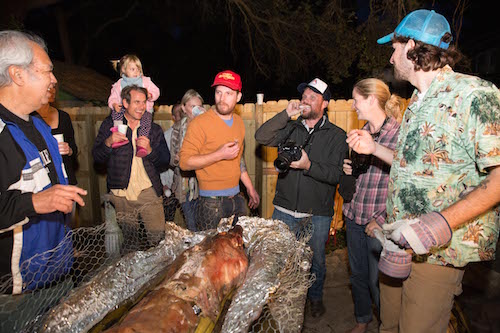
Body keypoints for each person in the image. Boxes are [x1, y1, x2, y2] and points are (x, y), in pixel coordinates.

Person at [347, 9, 500, 332]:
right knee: (388, 324)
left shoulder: (474, 94)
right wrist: (375, 150)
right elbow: (411, 167)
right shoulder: (416, 102)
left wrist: (439, 224)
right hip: (398, 243)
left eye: (394, 47)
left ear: (411, 46)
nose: (390, 58)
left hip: (437, 254)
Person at [0, 30, 87, 331]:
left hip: (58, 274)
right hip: (16, 293)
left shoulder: (40, 125)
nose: (54, 80)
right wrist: (36, 202)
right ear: (17, 74)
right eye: (47, 70)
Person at [255, 77, 348, 318]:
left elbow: (337, 174)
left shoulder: (337, 136)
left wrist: (309, 165)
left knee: (315, 261)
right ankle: (282, 298)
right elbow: (262, 136)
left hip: (316, 214)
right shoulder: (291, 127)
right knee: (280, 260)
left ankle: (315, 298)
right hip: (283, 210)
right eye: (304, 96)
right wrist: (284, 114)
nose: (305, 101)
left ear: (325, 103)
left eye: (312, 97)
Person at [341, 79, 401, 333]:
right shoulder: (361, 131)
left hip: (379, 222)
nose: (353, 105)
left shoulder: (398, 133)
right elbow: (361, 176)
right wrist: (348, 170)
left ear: (372, 99)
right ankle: (362, 319)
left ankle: (387, 326)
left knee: (380, 282)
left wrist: (383, 218)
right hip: (355, 215)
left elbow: (405, 180)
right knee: (358, 276)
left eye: (356, 100)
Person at [179, 70, 260, 231]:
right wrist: (219, 154)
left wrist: (250, 188)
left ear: (238, 97)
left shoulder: (239, 122)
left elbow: (239, 160)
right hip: (211, 203)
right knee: (211, 253)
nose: (222, 99)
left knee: (238, 251)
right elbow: (184, 162)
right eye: (219, 92)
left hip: (237, 199)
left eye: (228, 93)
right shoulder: (200, 123)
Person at [93, 85, 170, 251]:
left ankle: (158, 275)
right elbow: (96, 157)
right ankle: (133, 276)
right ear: (125, 103)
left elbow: (165, 161)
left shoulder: (153, 129)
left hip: (148, 191)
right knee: (130, 243)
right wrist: (108, 143)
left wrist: (150, 151)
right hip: (121, 195)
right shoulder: (110, 125)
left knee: (158, 240)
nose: (142, 106)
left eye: (144, 102)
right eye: (137, 102)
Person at [108, 54, 160, 158]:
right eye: (132, 69)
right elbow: (113, 97)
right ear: (124, 69)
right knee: (116, 113)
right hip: (124, 110)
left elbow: (156, 91)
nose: (136, 72)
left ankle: (142, 144)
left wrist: (151, 95)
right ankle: (119, 135)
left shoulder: (145, 81)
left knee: (146, 122)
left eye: (138, 69)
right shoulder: (119, 84)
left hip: (144, 110)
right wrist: (114, 104)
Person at [169, 89, 206, 231]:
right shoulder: (178, 129)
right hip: (184, 186)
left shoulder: (206, 126)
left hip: (204, 185)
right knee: (192, 227)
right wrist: (179, 159)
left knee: (205, 227)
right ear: (183, 108)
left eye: (199, 106)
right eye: (192, 106)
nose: (196, 110)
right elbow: (172, 160)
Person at [161, 103, 182, 222]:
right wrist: (164, 184)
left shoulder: (191, 134)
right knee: (168, 221)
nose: (181, 115)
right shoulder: (166, 136)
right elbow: (162, 162)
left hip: (186, 188)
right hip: (170, 185)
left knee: (192, 222)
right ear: (173, 117)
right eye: (178, 113)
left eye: (182, 112)